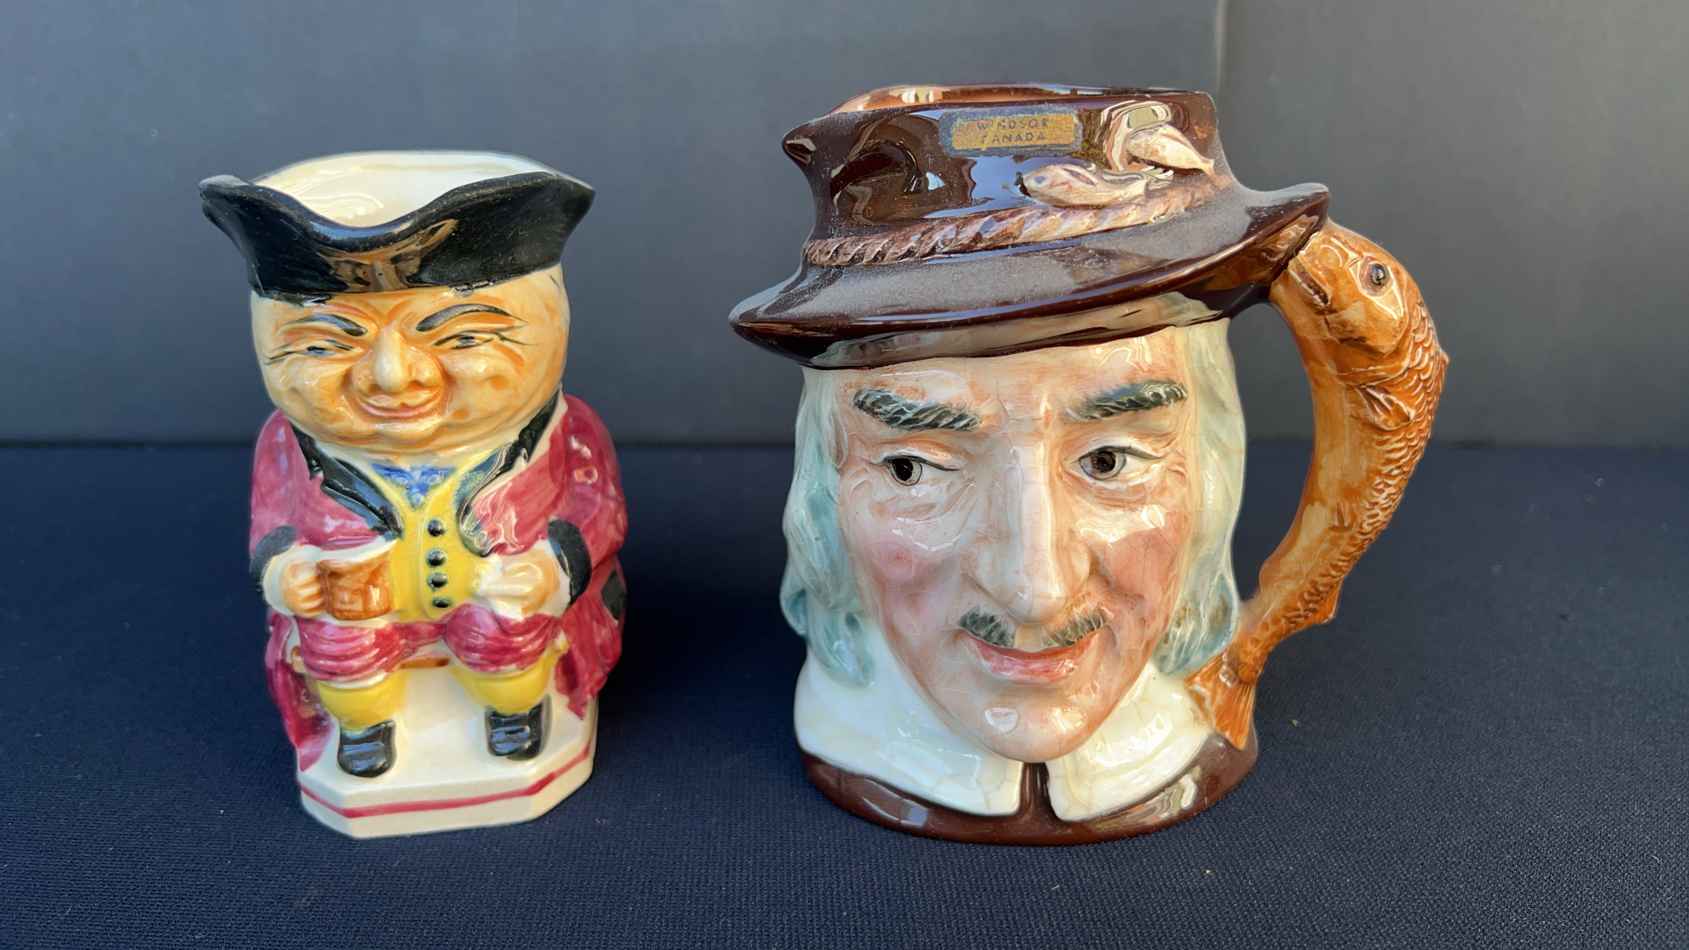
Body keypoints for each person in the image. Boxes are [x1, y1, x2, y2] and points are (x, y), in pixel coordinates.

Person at [203, 153, 627, 782]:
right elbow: (270, 524)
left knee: (506, 638)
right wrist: (285, 572)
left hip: (502, 607)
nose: (393, 377)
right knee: (341, 649)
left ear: (552, 323)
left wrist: (551, 567)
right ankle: (364, 729)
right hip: (360, 617)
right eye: (324, 343)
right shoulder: (287, 446)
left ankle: (515, 714)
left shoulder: (566, 433)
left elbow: (600, 511)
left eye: (461, 337)